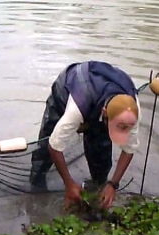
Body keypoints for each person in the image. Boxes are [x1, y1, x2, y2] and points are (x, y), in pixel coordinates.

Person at [29, 60, 142, 210]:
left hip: (102, 101)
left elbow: (129, 149)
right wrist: (69, 184)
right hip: (70, 87)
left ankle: (97, 187)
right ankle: (37, 185)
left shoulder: (132, 112)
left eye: (124, 128)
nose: (122, 131)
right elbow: (54, 145)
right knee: (45, 150)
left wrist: (112, 184)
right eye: (117, 127)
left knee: (100, 151)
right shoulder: (77, 107)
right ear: (104, 114)